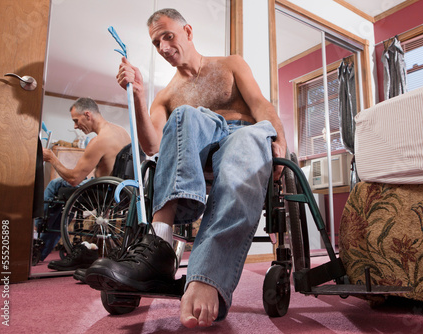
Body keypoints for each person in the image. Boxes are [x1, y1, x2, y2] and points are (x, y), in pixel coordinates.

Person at [85, 8, 287, 328]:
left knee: (243, 148)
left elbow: (260, 104)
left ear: (188, 32)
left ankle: (207, 276)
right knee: (184, 116)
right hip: (199, 147)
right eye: (156, 43)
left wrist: (281, 137)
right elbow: (152, 146)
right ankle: (161, 243)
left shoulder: (231, 64)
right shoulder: (166, 97)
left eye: (168, 36)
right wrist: (138, 95)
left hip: (242, 133)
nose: (163, 47)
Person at [37, 97, 131, 267]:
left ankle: (36, 234)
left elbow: (73, 179)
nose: (75, 126)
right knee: (65, 200)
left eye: (76, 120)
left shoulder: (99, 141)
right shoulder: (121, 132)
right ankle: (41, 248)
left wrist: (52, 158)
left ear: (87, 114)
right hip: (119, 191)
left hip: (101, 192)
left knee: (55, 185)